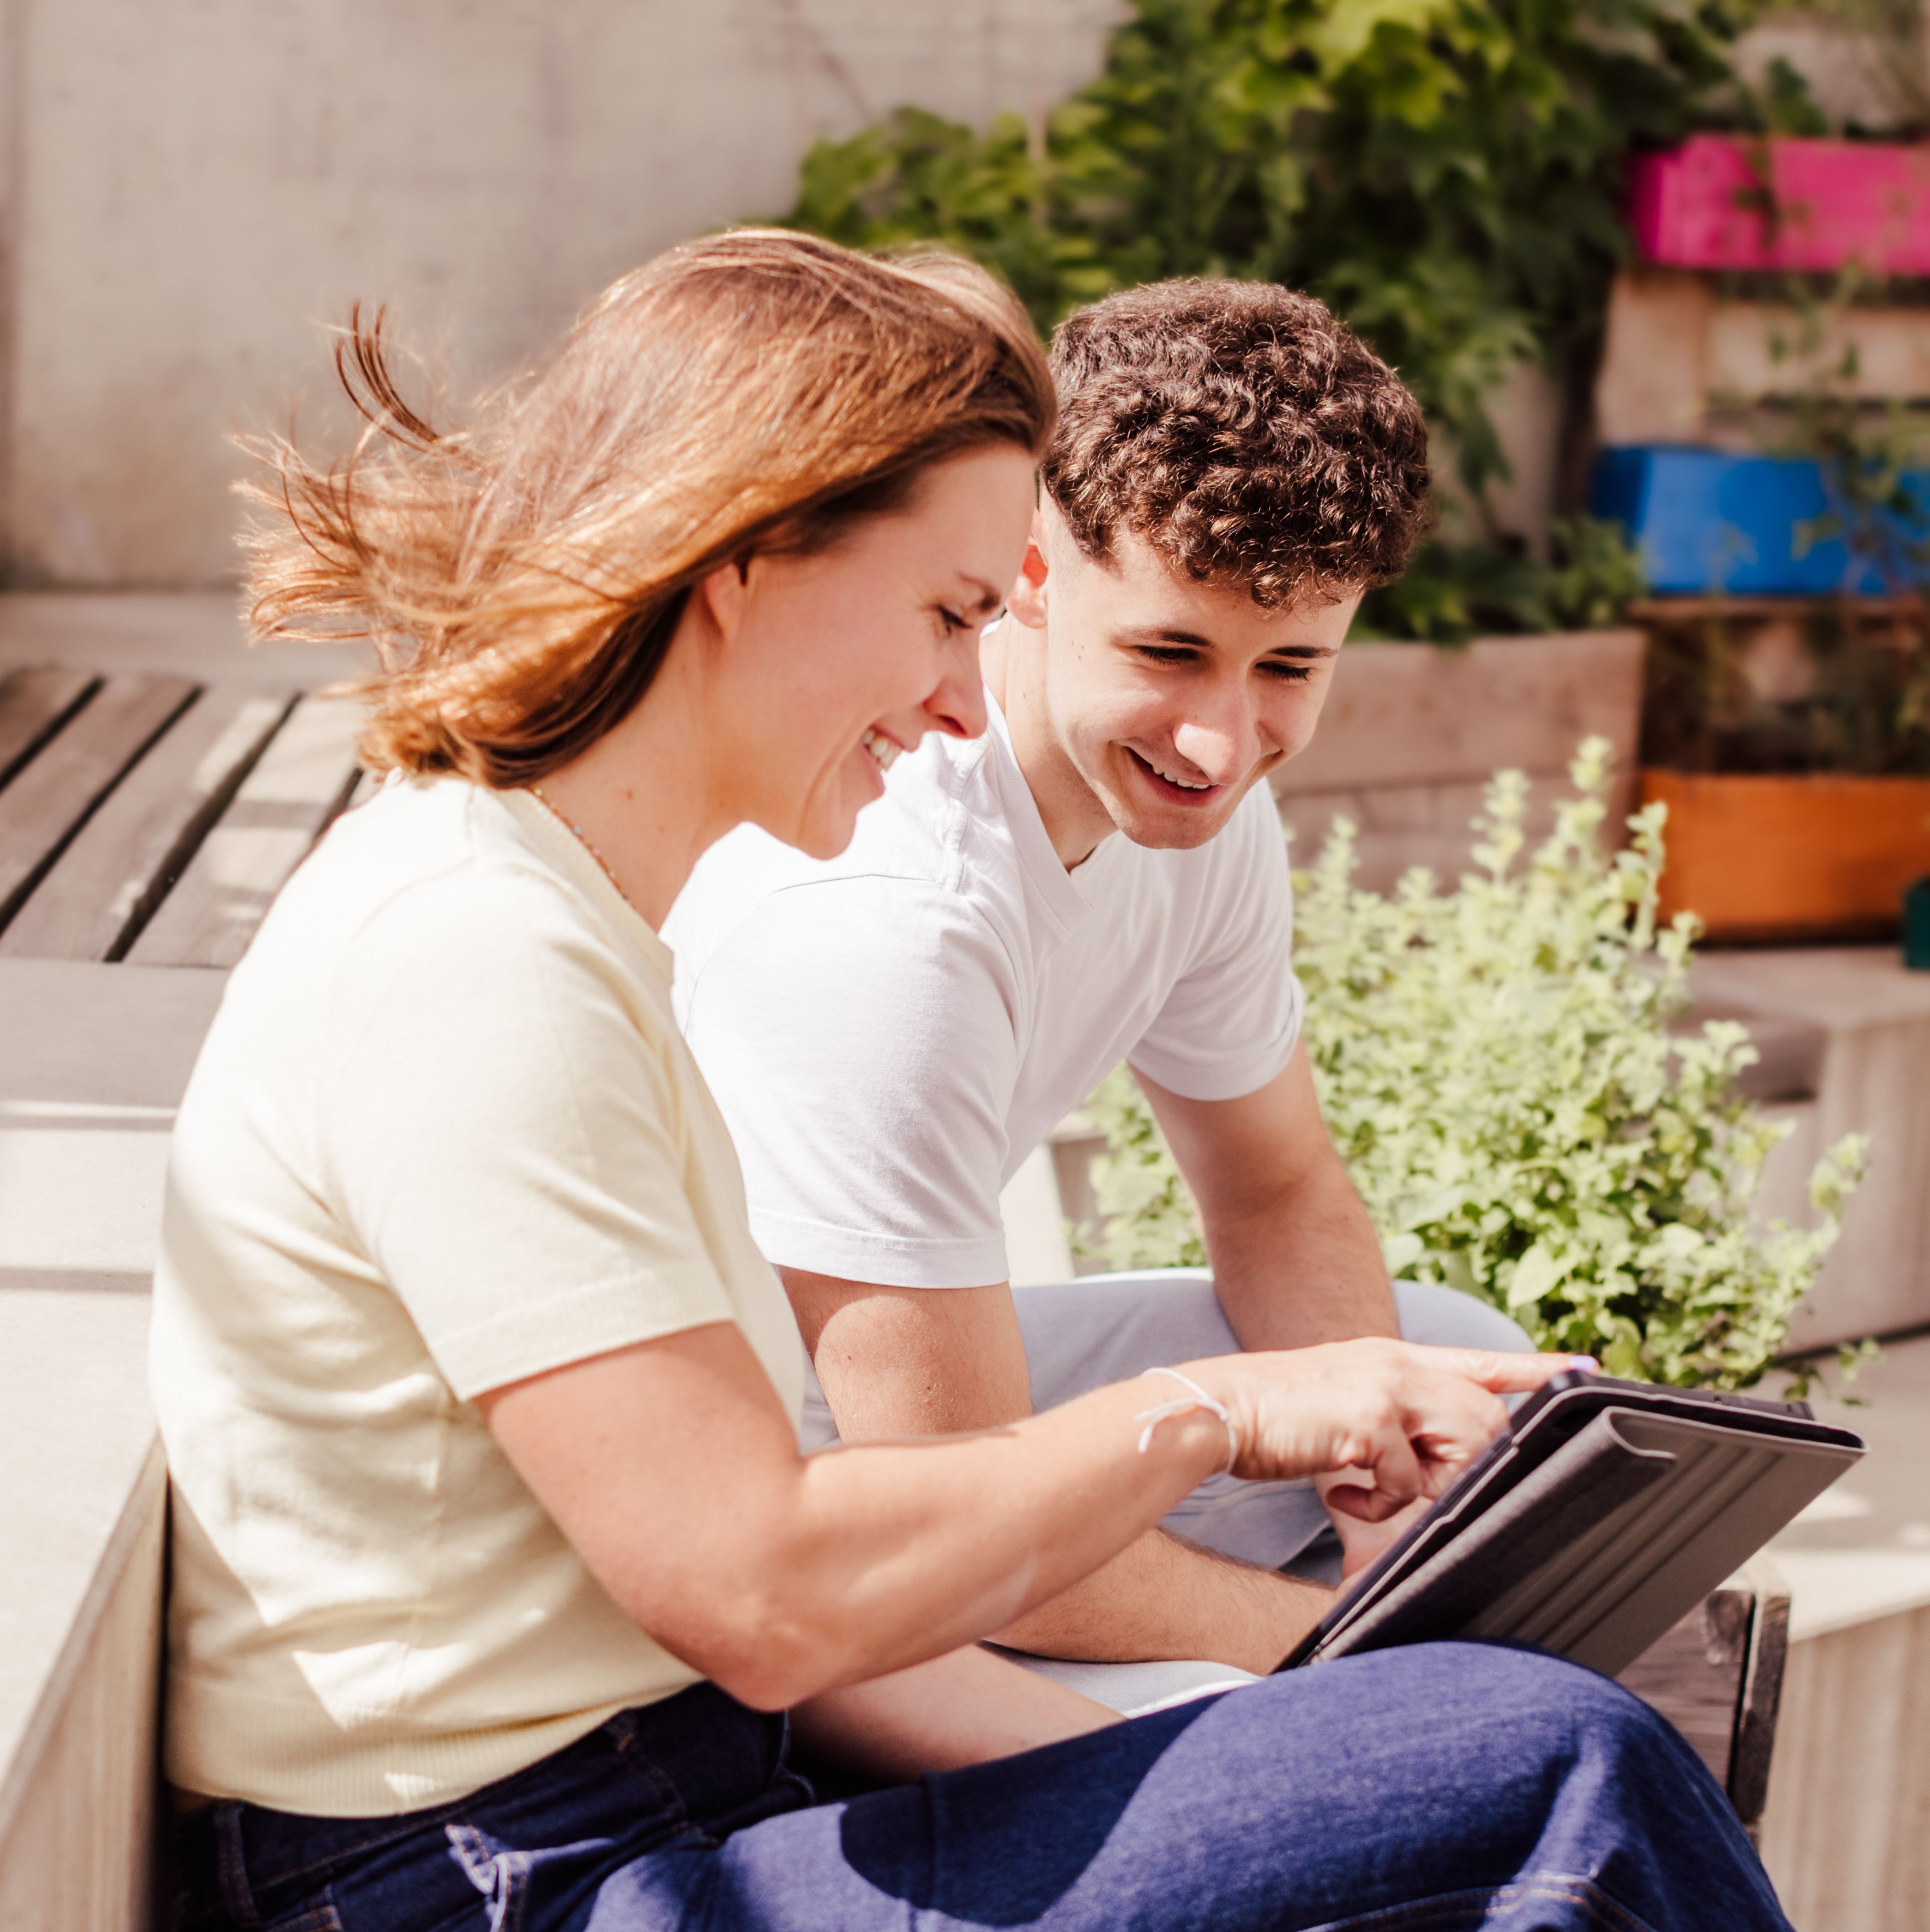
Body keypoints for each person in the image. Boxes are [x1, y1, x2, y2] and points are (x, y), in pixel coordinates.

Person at [153, 228, 1797, 1932]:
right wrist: (1227, 1449)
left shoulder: (561, 909)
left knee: (1516, 1757)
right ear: (747, 563)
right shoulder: (481, 960)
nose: (958, 694)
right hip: (511, 1880)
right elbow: (776, 1603)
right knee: (1550, 1765)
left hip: (663, 1780)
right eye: (950, 610)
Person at [663, 278, 1526, 1685]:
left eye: (1289, 668)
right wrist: (1361, 1658)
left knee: (1447, 1362)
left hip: (902, 1405)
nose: (1219, 740)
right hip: (760, 1474)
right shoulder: (890, 912)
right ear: (1031, 568)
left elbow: (1275, 1187)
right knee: (1233, 1680)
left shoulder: (1204, 804)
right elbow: (945, 1507)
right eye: (1168, 651)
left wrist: (1384, 1480)